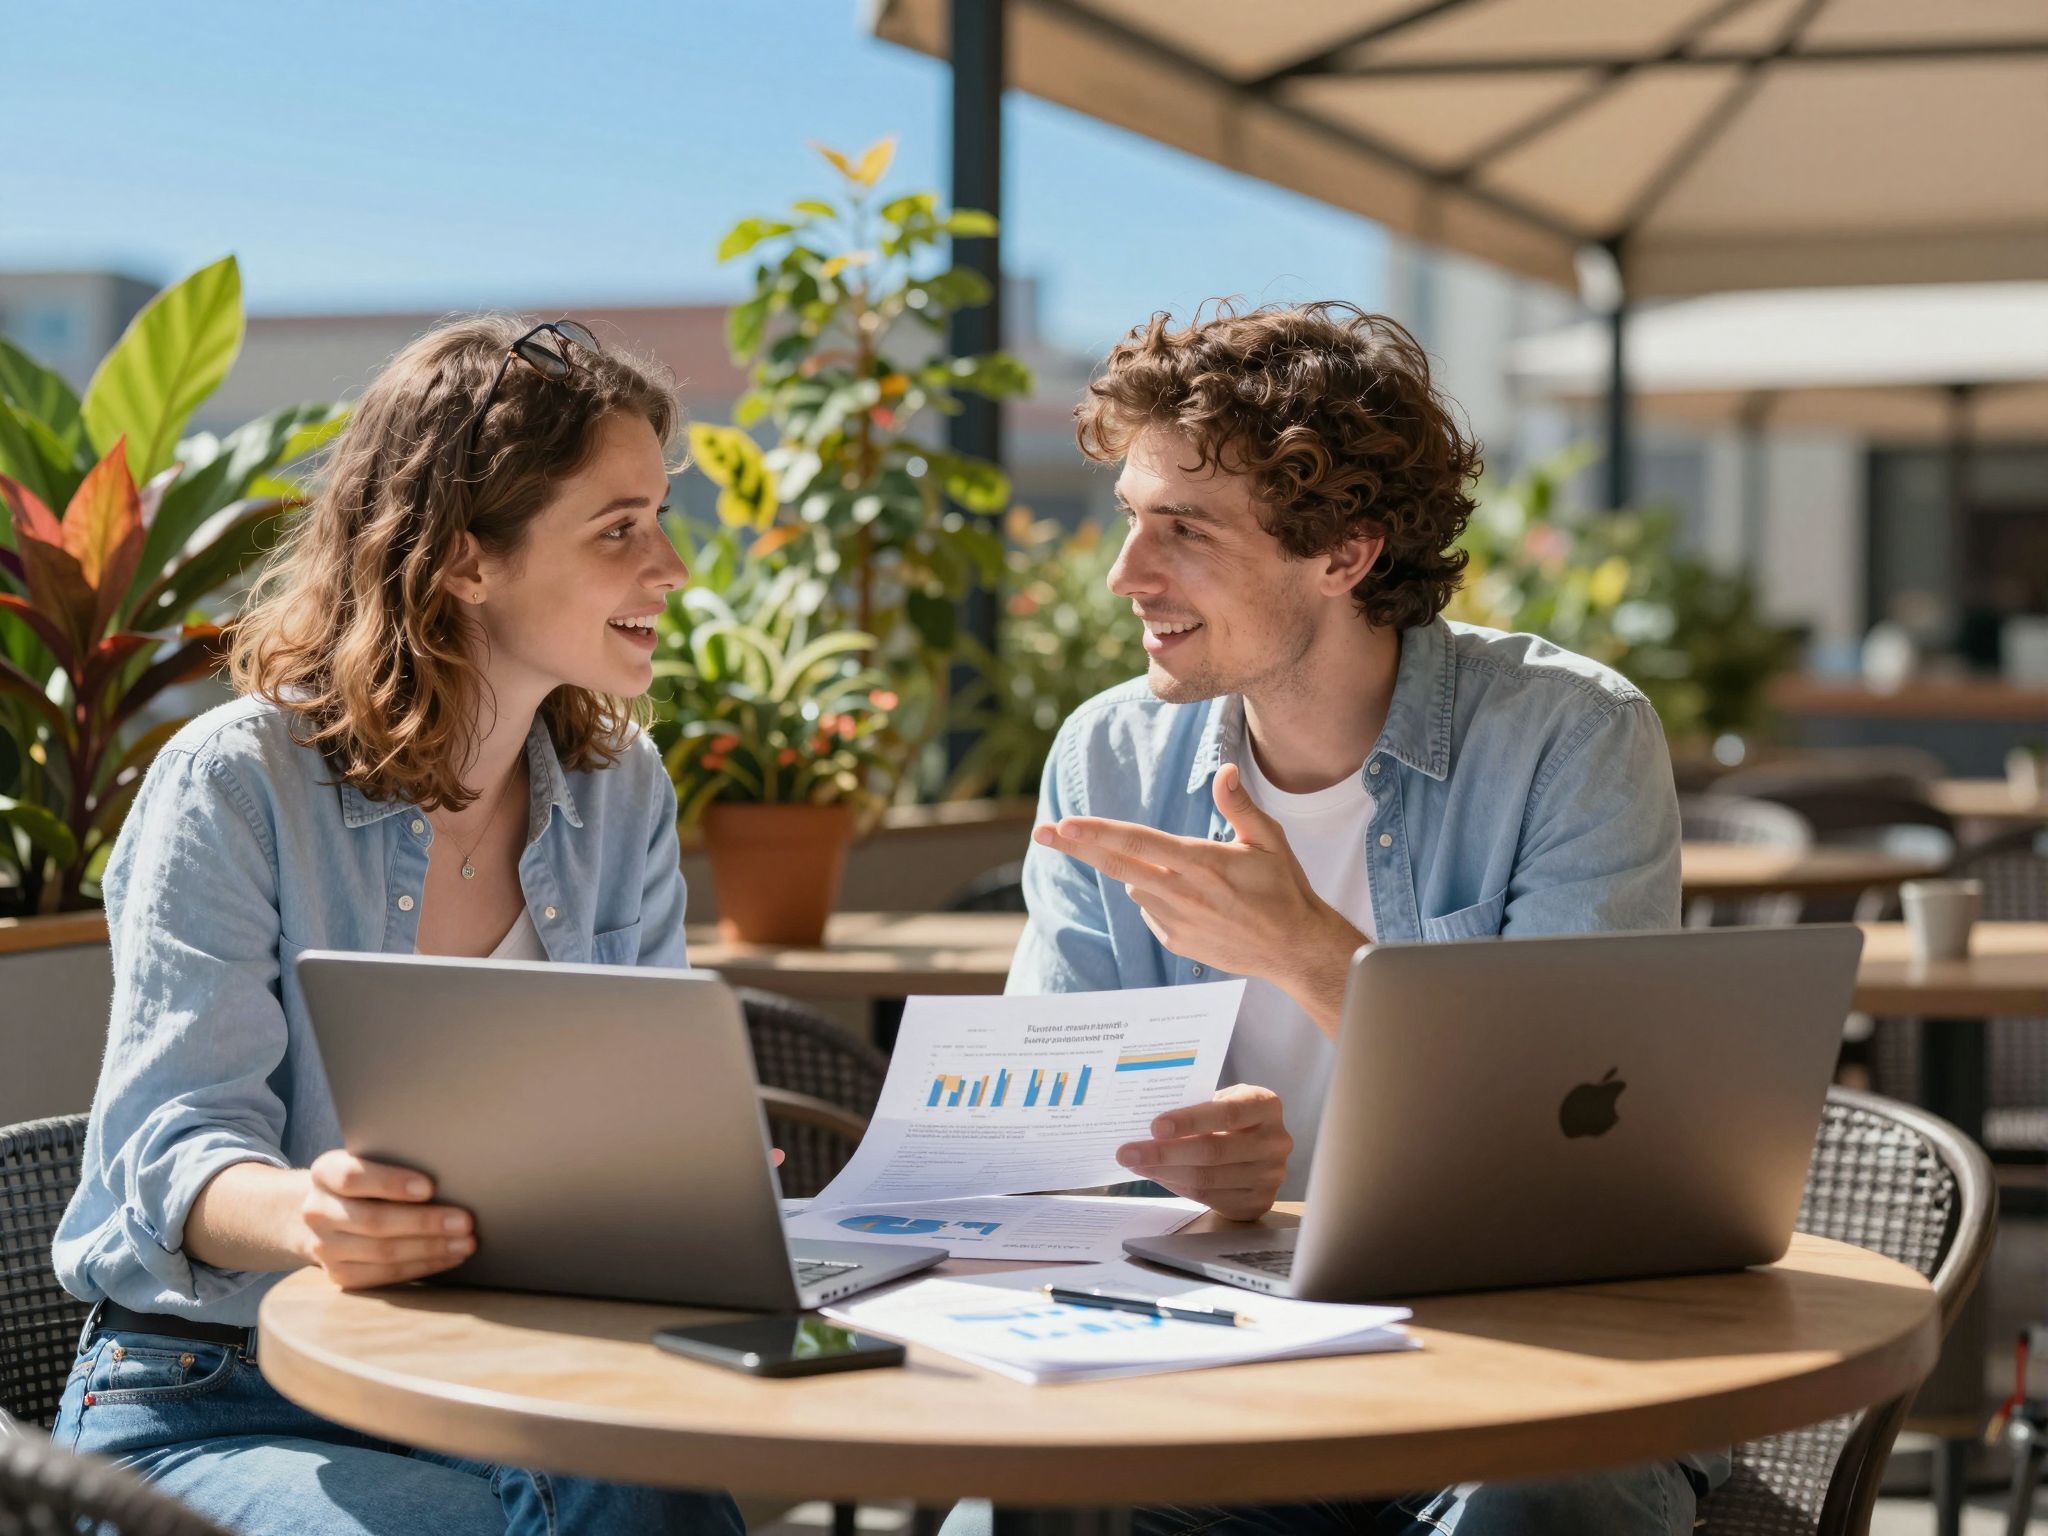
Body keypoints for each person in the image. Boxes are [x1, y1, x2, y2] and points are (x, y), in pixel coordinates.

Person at [1007, 302, 1717, 1533]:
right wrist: (1170, 1171)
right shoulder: (1106, 758)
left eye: (1182, 529)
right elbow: (1049, 1133)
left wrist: (1312, 958)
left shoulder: (1569, 738)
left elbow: (1577, 1163)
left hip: (1517, 1357)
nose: (1125, 576)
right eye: (1130, 520)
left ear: (1342, 551)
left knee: (1541, 1507)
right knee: (1026, 1507)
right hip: (1224, 1353)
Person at [50, 316, 743, 1536]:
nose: (669, 568)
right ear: (469, 560)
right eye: (619, 527)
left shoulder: (617, 787)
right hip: (220, 1389)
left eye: (660, 518)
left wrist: (682, 1181)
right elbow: (169, 1146)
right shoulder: (236, 780)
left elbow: (632, 1101)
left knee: (668, 1498)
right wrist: (313, 1217)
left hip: (503, 1369)